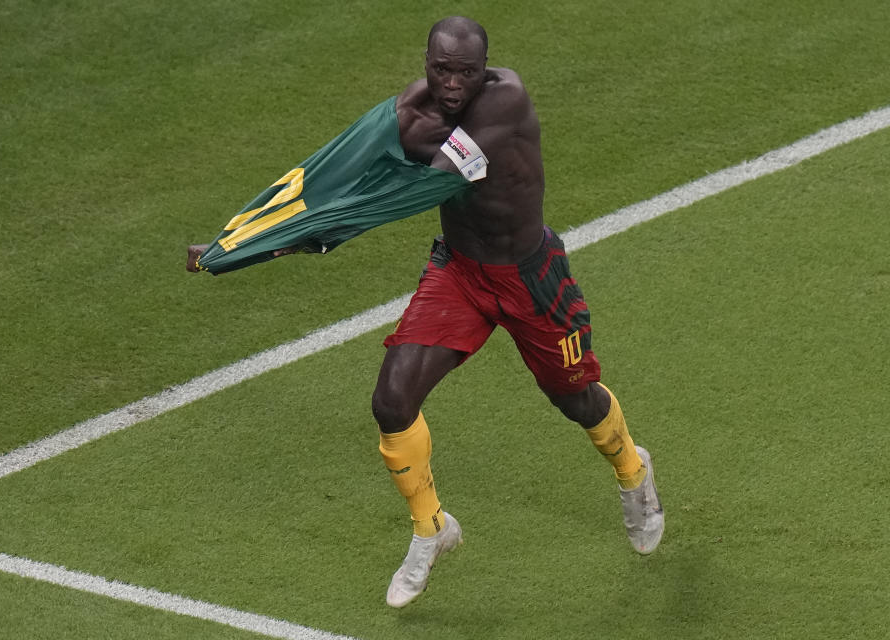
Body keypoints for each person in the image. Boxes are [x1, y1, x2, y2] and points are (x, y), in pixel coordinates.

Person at [189, 16, 663, 609]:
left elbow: (416, 191)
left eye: (466, 72)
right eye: (442, 70)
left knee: (575, 398)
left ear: (485, 69)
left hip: (530, 279)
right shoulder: (409, 114)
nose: (453, 84)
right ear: (426, 62)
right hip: (460, 274)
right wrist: (237, 243)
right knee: (391, 399)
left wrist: (318, 234)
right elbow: (327, 174)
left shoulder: (503, 103)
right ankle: (432, 529)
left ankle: (632, 472)